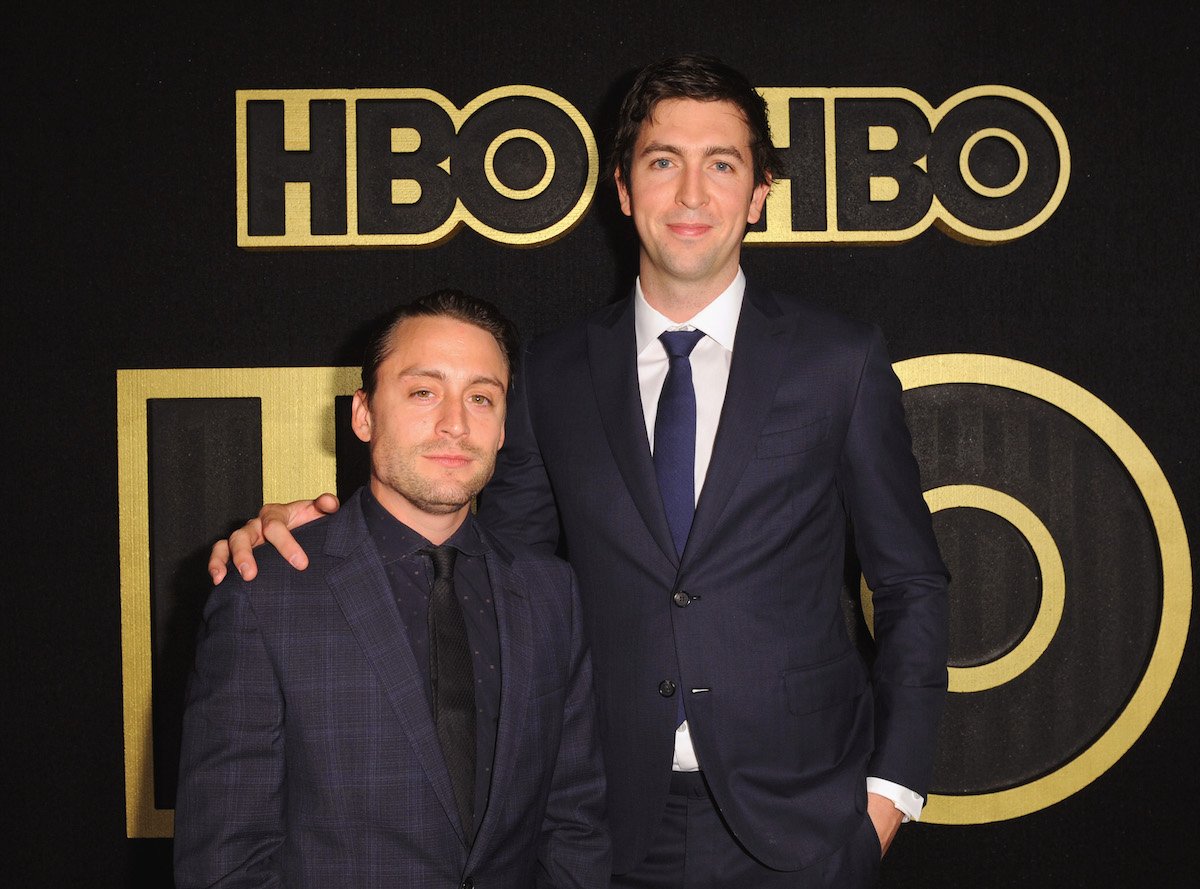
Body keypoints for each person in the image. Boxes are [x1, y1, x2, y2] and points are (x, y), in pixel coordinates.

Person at [211, 56, 949, 888]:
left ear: (760, 193)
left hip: (807, 822)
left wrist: (889, 798)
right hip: (600, 823)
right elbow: (488, 566)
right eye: (664, 162)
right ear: (625, 188)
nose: (693, 194)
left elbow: (912, 583)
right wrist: (321, 531)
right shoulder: (553, 373)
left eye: (724, 165)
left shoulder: (838, 362)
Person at [178, 291, 610, 889]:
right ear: (363, 414)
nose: (455, 423)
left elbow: (574, 824)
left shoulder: (551, 594)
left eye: (481, 397)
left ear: (505, 428)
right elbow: (226, 861)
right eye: (423, 391)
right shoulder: (266, 595)